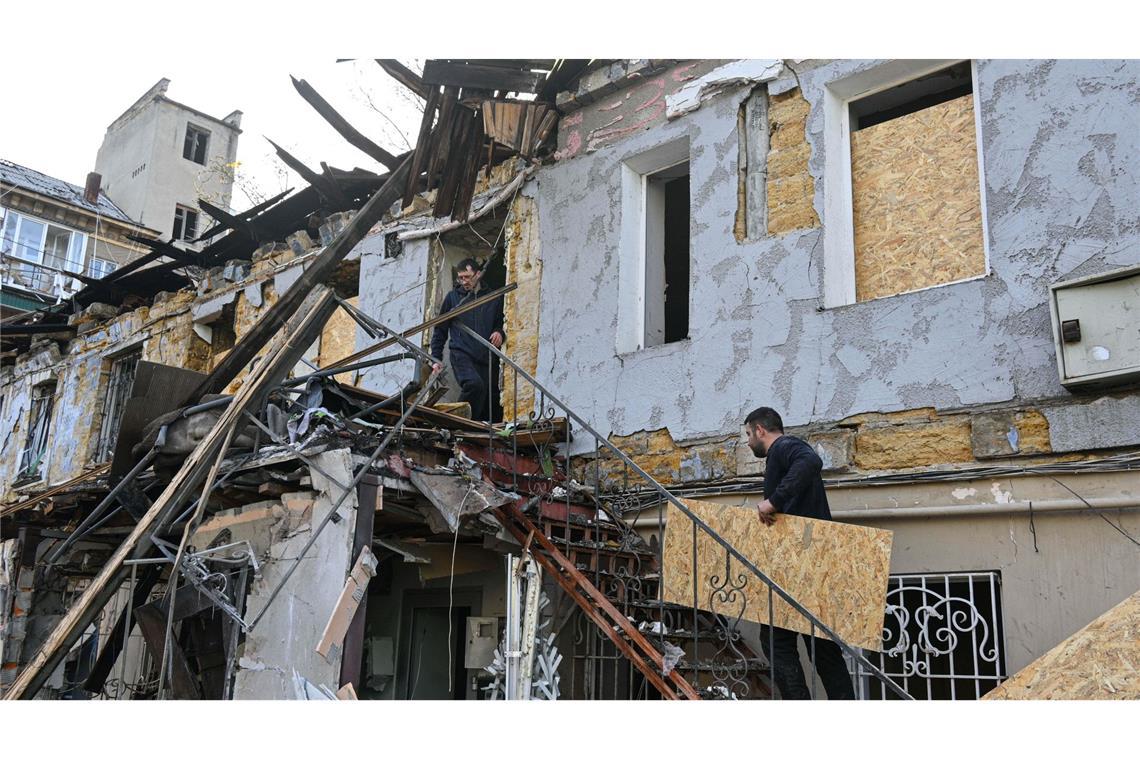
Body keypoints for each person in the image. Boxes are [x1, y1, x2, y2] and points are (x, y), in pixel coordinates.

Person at [743, 406, 855, 700]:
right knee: (823, 648)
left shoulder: (784, 447)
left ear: (760, 430)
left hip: (798, 564)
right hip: (810, 563)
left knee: (777, 642)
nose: (748, 442)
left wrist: (773, 501)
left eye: (748, 435)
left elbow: (811, 460)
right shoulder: (783, 453)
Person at [430, 258, 505, 423]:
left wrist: (499, 332)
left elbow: (501, 321)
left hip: (486, 356)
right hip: (461, 353)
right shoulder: (453, 298)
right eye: (461, 278)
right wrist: (435, 359)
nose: (464, 281)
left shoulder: (493, 297)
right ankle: (455, 421)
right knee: (473, 384)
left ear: (478, 274)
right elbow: (440, 330)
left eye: (467, 277)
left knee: (488, 398)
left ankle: (474, 428)